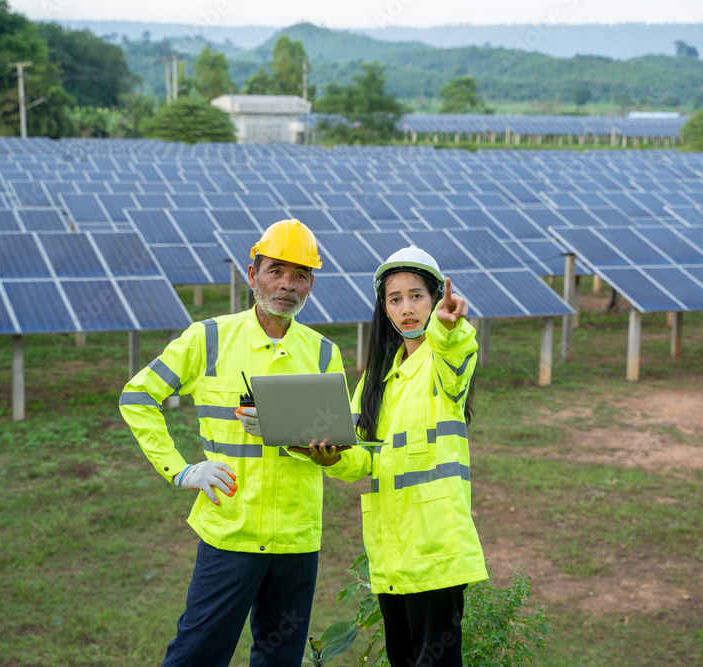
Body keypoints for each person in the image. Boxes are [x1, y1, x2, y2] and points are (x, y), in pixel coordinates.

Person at [118, 219, 344, 667]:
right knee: (197, 654)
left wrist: (325, 450)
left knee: (280, 658)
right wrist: (180, 469)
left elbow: (330, 443)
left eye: (300, 275)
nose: (287, 285)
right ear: (251, 274)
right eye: (276, 270)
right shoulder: (210, 338)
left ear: (311, 285)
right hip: (230, 531)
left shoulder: (324, 353)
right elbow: (138, 397)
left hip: (297, 538)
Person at [291, 246, 486, 667]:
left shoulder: (443, 363)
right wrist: (328, 458)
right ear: (384, 308)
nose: (407, 309)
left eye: (417, 296)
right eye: (395, 299)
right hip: (391, 554)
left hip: (436, 550)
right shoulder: (377, 380)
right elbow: (362, 456)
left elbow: (456, 354)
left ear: (436, 300)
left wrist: (451, 329)